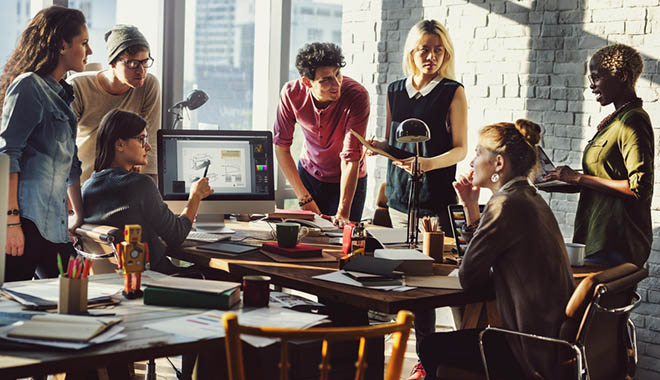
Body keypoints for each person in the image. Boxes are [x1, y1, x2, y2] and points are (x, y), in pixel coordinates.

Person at [419, 119, 575, 380]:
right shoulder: (529, 197)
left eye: (478, 152)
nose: (471, 161)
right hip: (551, 342)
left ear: (499, 163)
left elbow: (469, 277)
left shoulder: (504, 204)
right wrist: (470, 206)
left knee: (430, 346)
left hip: (526, 348)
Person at [367, 20, 467, 380]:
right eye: (424, 49)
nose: (431, 56)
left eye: (438, 49)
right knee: (405, 279)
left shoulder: (452, 91)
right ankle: (409, 353)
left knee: (427, 282)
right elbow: (398, 145)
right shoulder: (395, 90)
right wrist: (380, 148)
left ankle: (429, 360)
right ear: (412, 51)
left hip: (434, 195)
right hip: (398, 195)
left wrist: (426, 164)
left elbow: (460, 149)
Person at [0, 6, 91, 281]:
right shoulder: (29, 86)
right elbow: (8, 154)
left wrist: (78, 217)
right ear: (63, 45)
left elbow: (71, 165)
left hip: (55, 227)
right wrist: (11, 222)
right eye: (84, 43)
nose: (90, 51)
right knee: (11, 310)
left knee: (77, 294)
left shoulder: (63, 94)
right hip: (25, 223)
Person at [545, 44, 653, 267]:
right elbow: (605, 176)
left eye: (596, 77)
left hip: (616, 242)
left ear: (622, 76)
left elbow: (638, 187)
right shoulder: (615, 121)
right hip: (596, 237)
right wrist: (559, 178)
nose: (592, 86)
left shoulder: (633, 120)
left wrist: (578, 178)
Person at [81, 109, 213, 274]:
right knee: (227, 275)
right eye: (142, 139)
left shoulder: (87, 186)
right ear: (120, 144)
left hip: (118, 283)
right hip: (157, 280)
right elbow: (176, 235)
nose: (148, 147)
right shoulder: (140, 184)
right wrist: (196, 196)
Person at [273, 42, 370, 227]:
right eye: (326, 80)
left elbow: (350, 158)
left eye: (337, 74)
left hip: (349, 178)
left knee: (344, 241)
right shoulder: (291, 94)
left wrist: (342, 213)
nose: (336, 84)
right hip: (310, 174)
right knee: (308, 238)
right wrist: (304, 198)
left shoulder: (357, 96)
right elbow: (281, 147)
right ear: (307, 82)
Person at [69, 24, 160, 184]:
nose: (141, 71)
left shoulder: (149, 85)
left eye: (145, 62)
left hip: (124, 186)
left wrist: (152, 196)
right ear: (112, 63)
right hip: (83, 184)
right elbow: (66, 148)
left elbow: (150, 142)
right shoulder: (78, 86)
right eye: (133, 64)